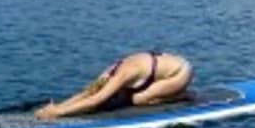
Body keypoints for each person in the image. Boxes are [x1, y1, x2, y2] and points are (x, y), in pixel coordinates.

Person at [35, 52, 193, 120]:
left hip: (180, 71)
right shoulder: (107, 74)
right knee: (108, 94)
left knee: (139, 100)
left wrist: (58, 113)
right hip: (154, 67)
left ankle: (180, 95)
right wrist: (58, 106)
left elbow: (95, 100)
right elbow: (88, 93)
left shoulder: (124, 75)